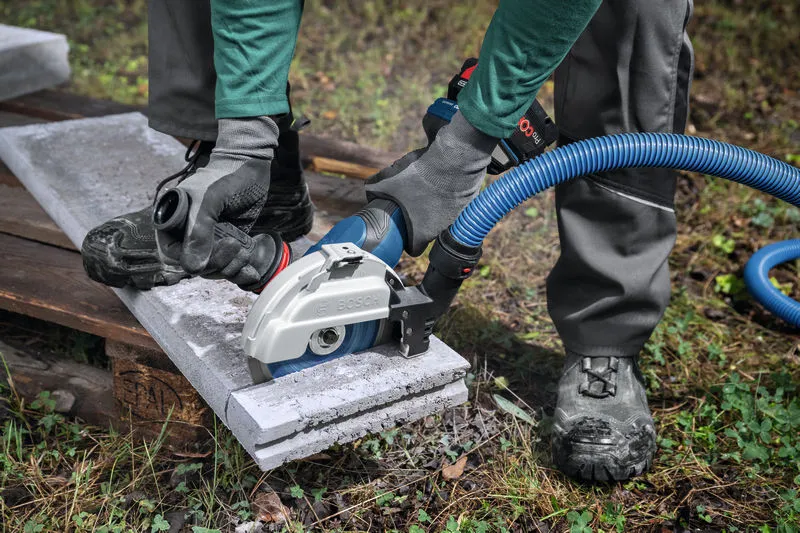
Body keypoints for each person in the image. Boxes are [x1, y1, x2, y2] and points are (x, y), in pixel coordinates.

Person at [82, 0, 694, 482]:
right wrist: (246, 134)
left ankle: (606, 334)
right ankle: (250, 173)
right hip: (249, 140)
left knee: (633, 19)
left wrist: (467, 146)